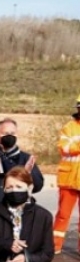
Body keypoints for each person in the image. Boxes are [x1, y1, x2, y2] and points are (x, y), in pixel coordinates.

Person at [54, 93, 80, 253]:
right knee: (63, 214)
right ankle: (54, 246)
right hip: (68, 179)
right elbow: (65, 148)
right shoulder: (68, 127)